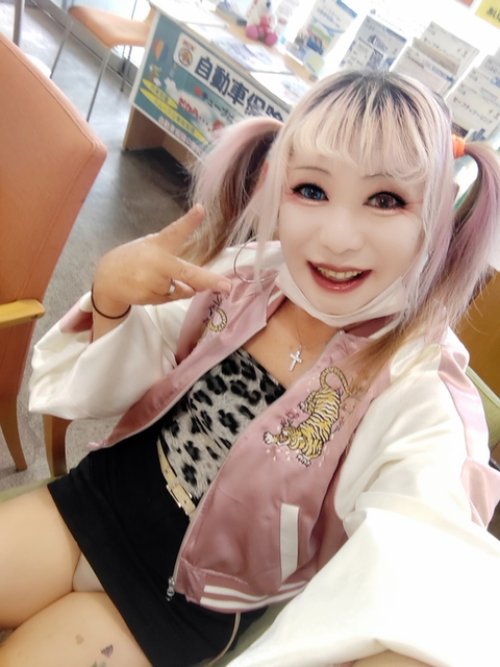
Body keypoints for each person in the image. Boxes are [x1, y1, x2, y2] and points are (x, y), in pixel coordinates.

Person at [1, 70, 499, 667]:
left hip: (184, 600)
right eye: (311, 190)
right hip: (100, 497)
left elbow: (426, 556)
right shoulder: (248, 275)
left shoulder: (419, 391)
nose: (337, 238)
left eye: (386, 199)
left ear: (438, 215)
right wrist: (111, 295)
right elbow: (128, 371)